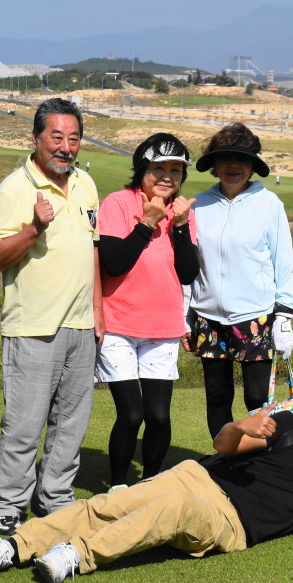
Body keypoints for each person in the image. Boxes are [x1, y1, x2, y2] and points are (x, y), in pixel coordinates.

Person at [0, 394, 293, 583]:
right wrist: (240, 426)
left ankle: (76, 555)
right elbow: (223, 446)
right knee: (112, 503)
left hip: (230, 523)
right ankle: (12, 547)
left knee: (171, 508)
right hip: (199, 476)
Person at [0, 98, 101, 536]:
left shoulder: (86, 184)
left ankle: (55, 496)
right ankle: (8, 504)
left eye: (74, 138)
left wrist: (98, 312)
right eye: (57, 137)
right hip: (33, 326)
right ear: (35, 139)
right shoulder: (14, 189)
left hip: (81, 324)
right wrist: (34, 228)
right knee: (24, 425)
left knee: (71, 425)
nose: (66, 147)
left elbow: (91, 251)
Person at [96, 133, 199, 488]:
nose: (167, 176)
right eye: (158, 168)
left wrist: (180, 226)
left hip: (163, 326)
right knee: (131, 414)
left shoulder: (182, 212)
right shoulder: (118, 203)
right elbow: (113, 264)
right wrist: (147, 222)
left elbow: (187, 273)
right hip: (118, 324)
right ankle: (118, 486)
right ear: (142, 168)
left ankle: (150, 486)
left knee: (158, 416)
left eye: (175, 170)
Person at [187, 123, 293, 439]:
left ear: (252, 165)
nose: (234, 166)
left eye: (243, 159)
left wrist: (284, 314)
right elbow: (190, 263)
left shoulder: (269, 204)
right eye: (226, 159)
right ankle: (226, 459)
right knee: (217, 396)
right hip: (208, 316)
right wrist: (186, 314)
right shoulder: (199, 204)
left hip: (255, 315)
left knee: (257, 398)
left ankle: (258, 461)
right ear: (215, 164)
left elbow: (283, 261)